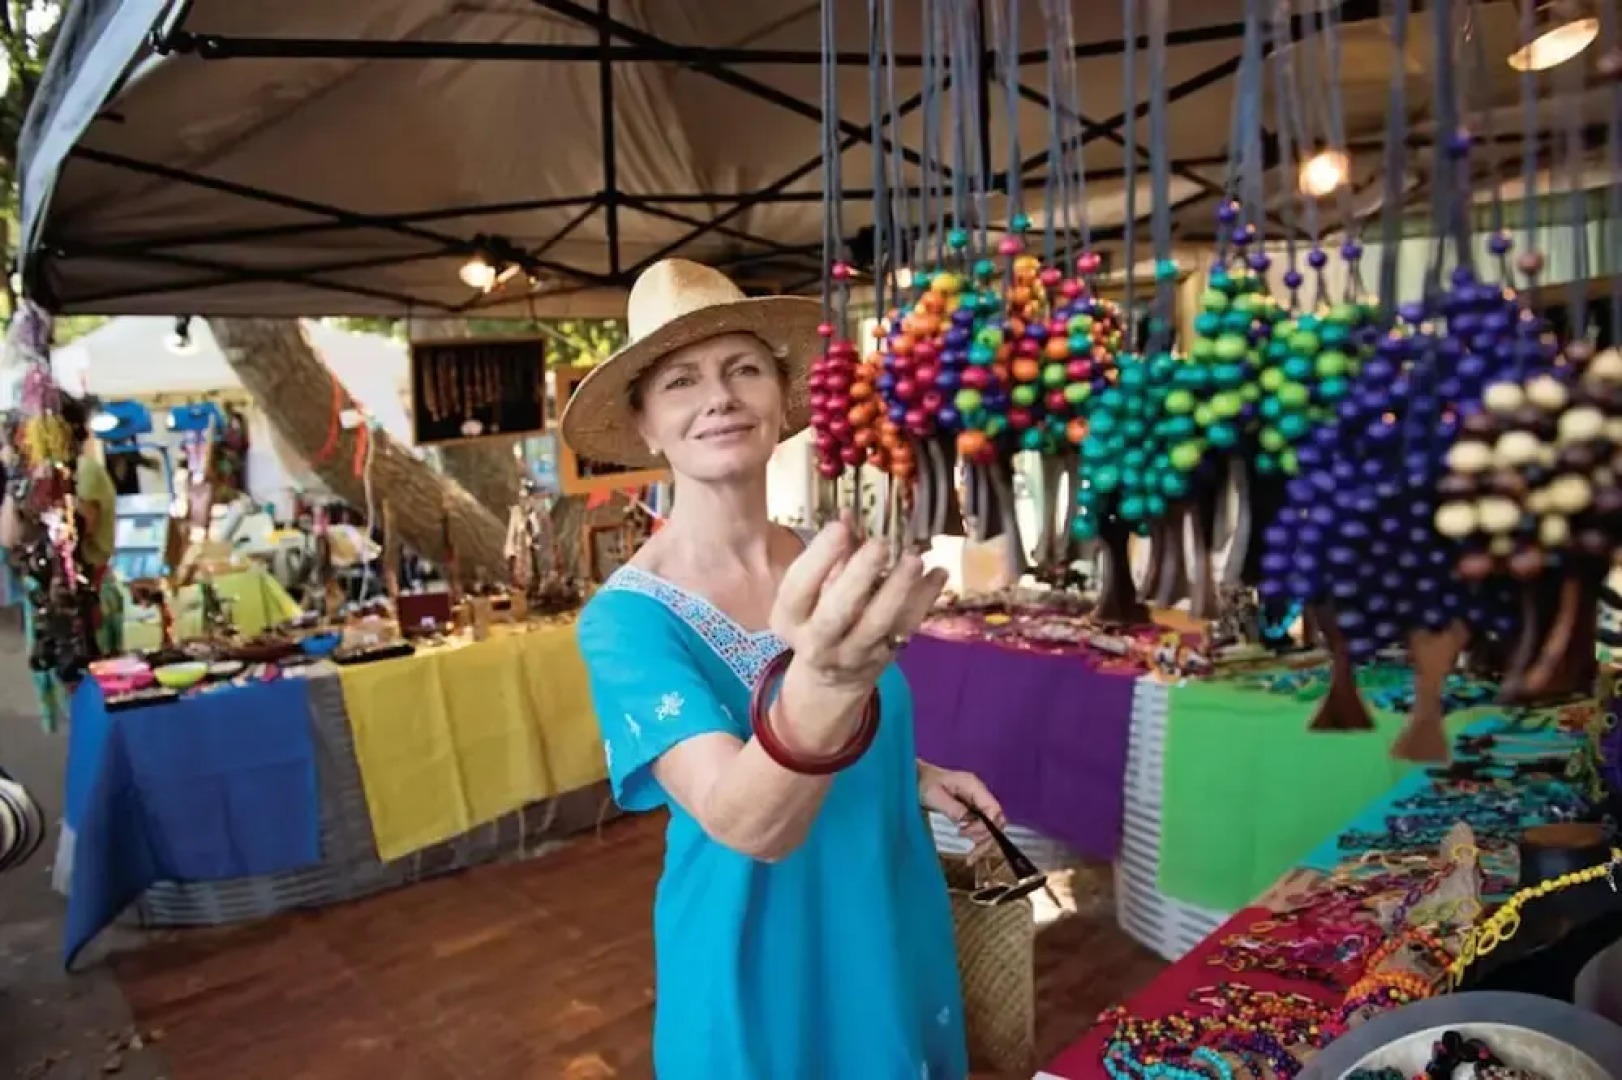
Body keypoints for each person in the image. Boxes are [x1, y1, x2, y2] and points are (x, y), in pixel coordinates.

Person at [561, 259, 1007, 1080]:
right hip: (758, 949)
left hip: (882, 907)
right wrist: (827, 681)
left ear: (777, 396)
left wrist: (907, 773)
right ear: (647, 425)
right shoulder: (627, 622)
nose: (719, 396)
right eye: (682, 381)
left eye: (742, 370)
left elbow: (851, 732)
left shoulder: (821, 554)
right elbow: (747, 823)